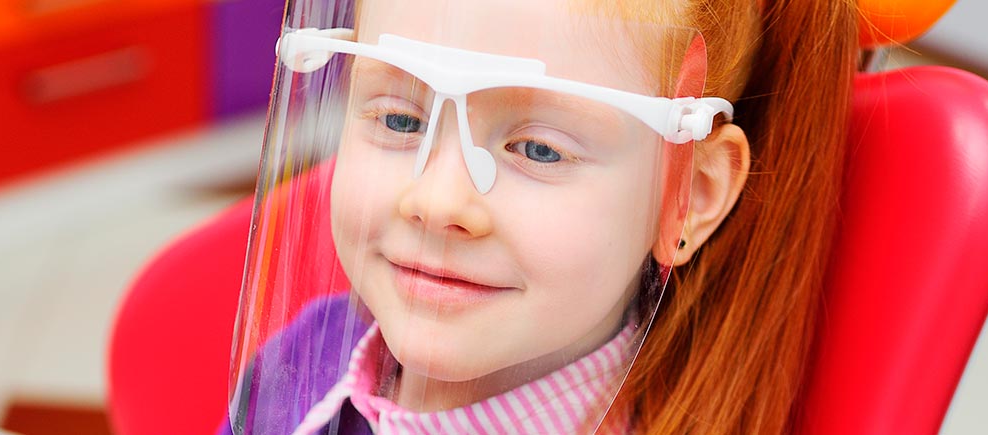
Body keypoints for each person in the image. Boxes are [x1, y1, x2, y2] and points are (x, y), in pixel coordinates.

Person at [226, 0, 855, 433]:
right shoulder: (309, 353)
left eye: (538, 149)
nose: (438, 201)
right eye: (400, 119)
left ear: (689, 191)